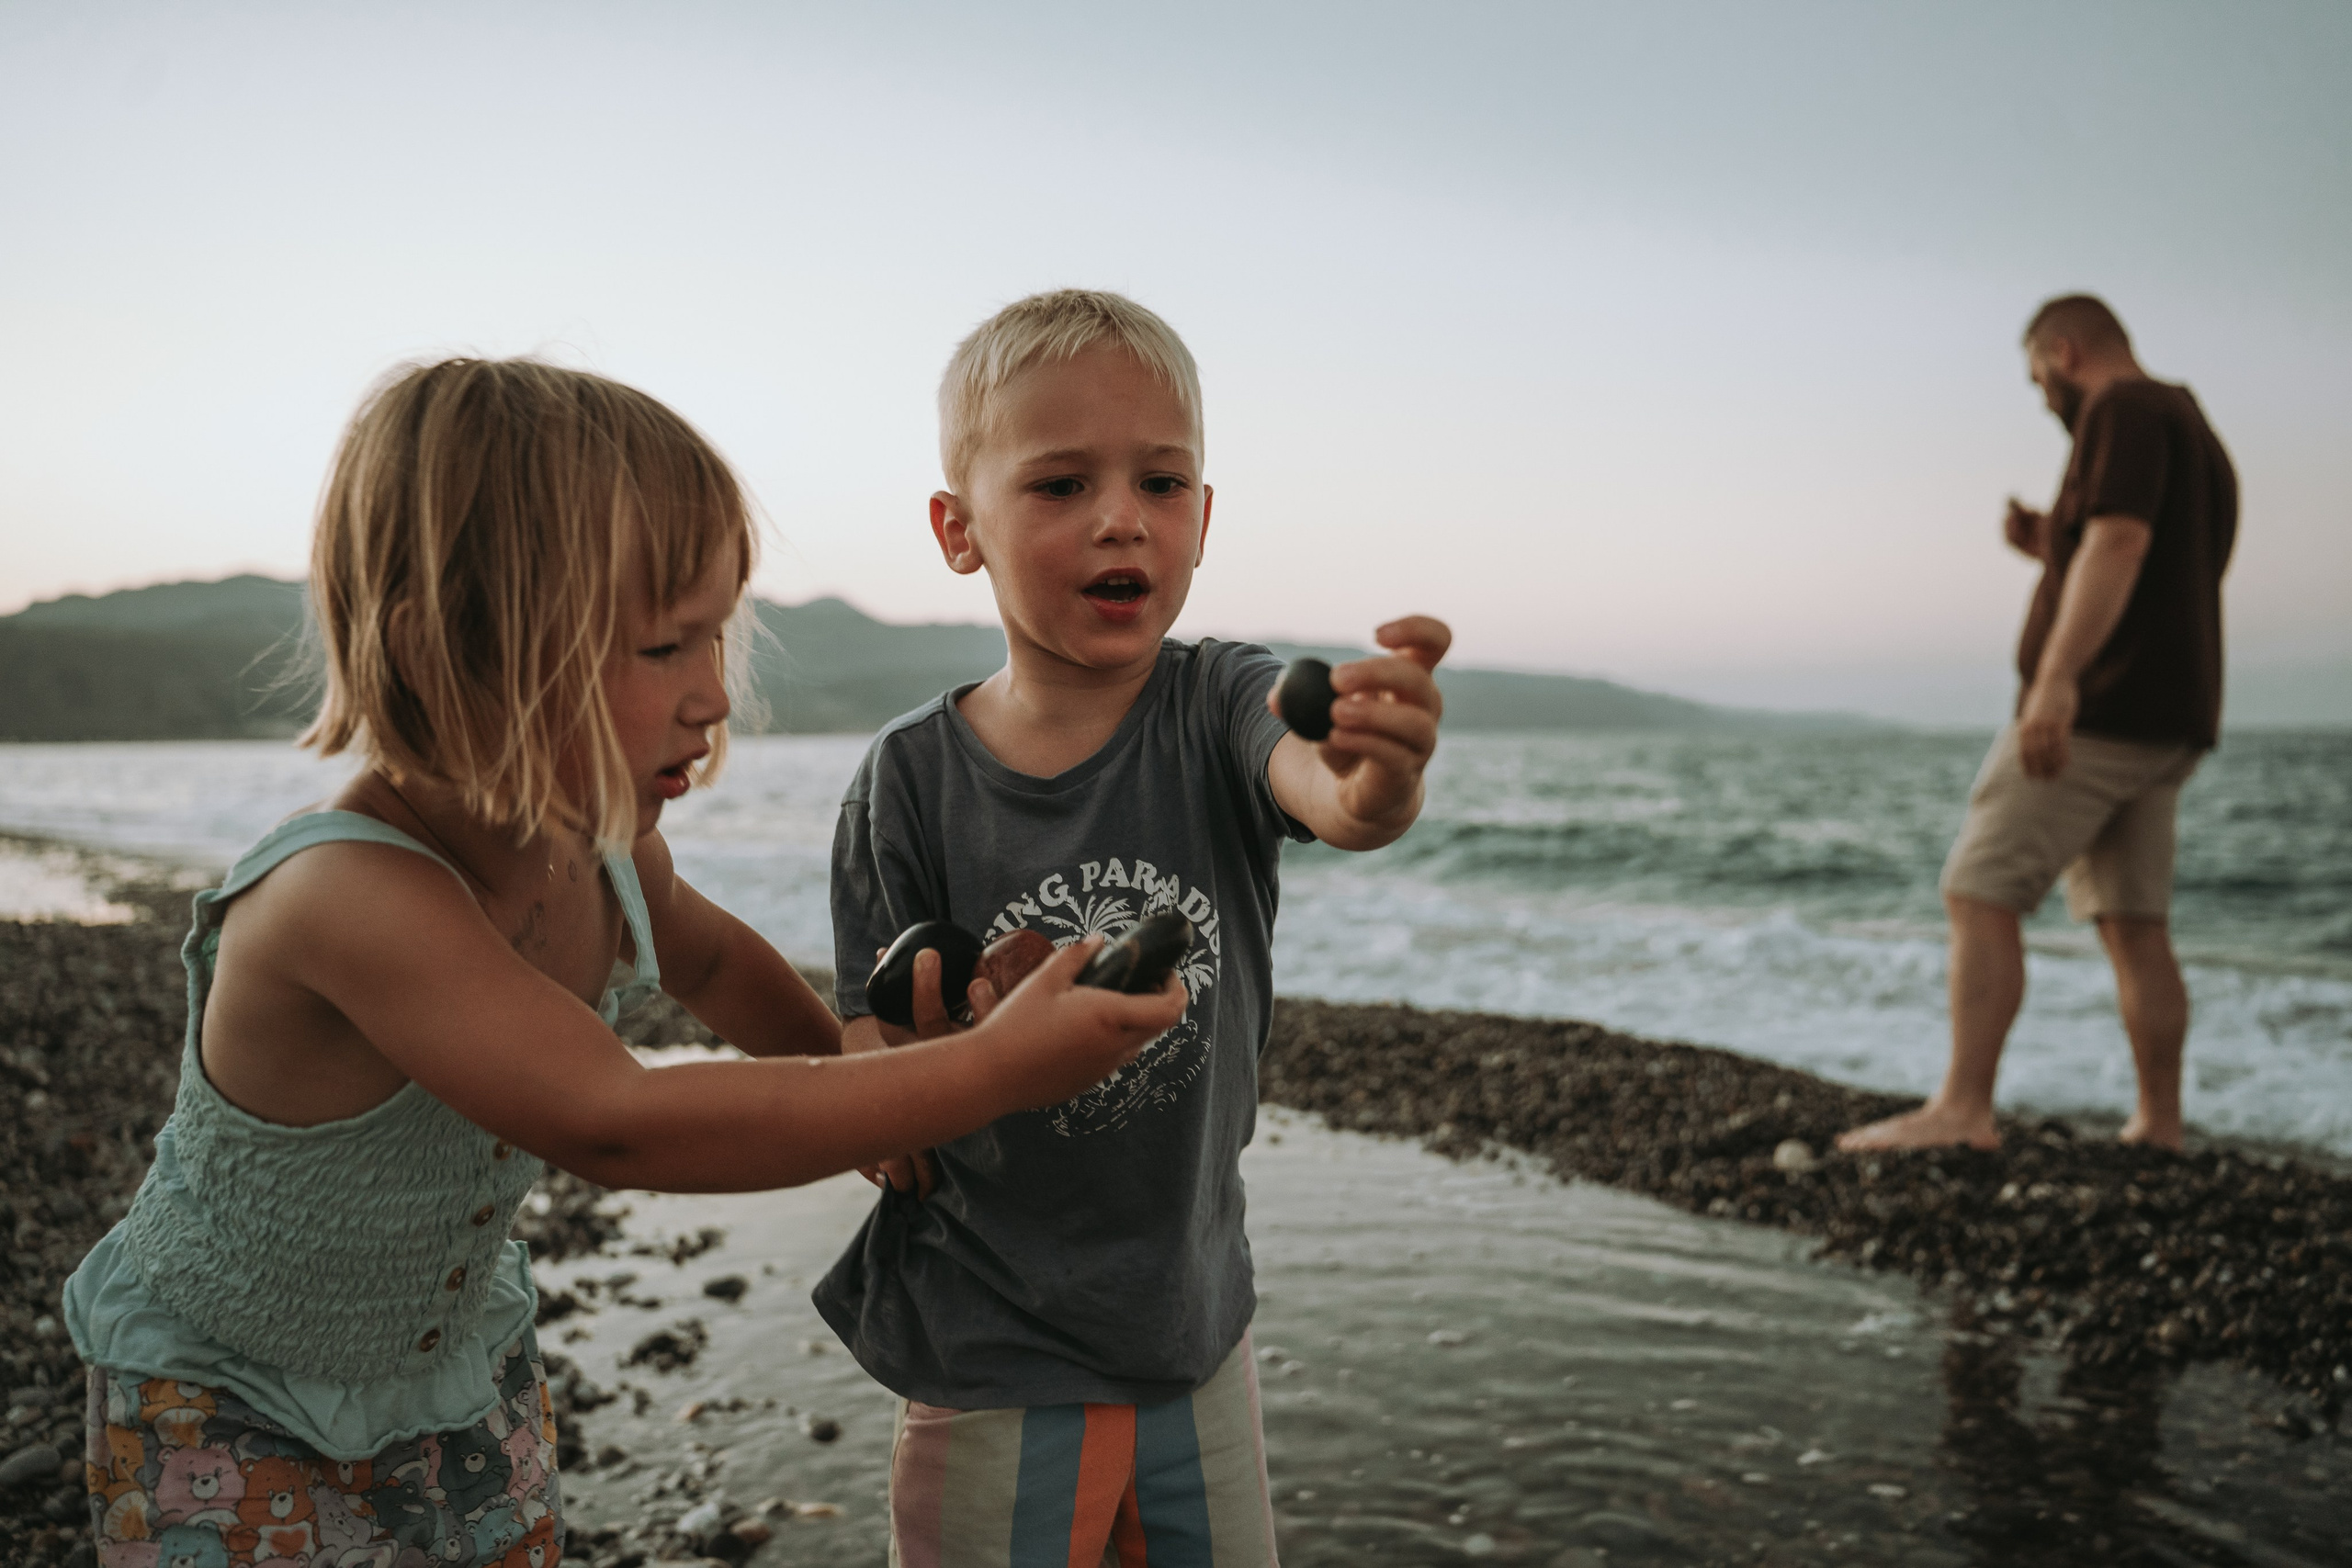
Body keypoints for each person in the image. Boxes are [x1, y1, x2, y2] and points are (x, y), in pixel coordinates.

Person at [62, 357, 1183, 1568]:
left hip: (452, 1363)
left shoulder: (601, 845)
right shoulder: (346, 896)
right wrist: (995, 1070)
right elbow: (621, 1119)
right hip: (233, 1397)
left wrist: (853, 1061)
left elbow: (709, 954)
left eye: (716, 636)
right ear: (452, 651)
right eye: (663, 647)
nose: (713, 695)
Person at [816, 289, 1450, 1564]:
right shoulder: (906, 780)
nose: (1122, 516)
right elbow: (869, 1063)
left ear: (1203, 518)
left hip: (1191, 1325)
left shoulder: (1217, 701)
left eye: (1162, 482)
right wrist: (936, 1064)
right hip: (988, 1340)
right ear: (960, 529)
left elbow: (1319, 785)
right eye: (1058, 484)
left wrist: (1377, 778)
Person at [1841, 295, 2237, 1155]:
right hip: (2173, 718)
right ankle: (2159, 1123)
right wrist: (2049, 540)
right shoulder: (2192, 427)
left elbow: (2122, 545)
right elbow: (2156, 556)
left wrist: (2056, 682)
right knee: (2135, 923)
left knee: (1977, 890)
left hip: (2100, 708)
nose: (2044, 397)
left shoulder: (2121, 408)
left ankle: (1962, 1109)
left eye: (2037, 380)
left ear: (2064, 352)